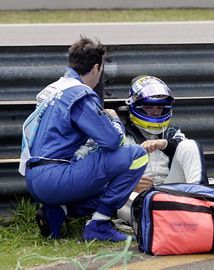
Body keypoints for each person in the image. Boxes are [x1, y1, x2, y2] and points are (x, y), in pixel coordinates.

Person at [19, 37, 148, 242]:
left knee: (106, 184)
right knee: (137, 156)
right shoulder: (79, 94)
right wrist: (114, 121)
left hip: (34, 177)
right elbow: (113, 141)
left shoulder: (53, 89)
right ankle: (99, 224)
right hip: (56, 178)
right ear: (96, 68)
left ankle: (58, 212)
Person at [116, 75, 208, 224]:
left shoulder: (172, 133)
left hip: (169, 191)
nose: (155, 112)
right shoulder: (119, 134)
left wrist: (164, 143)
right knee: (134, 206)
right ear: (134, 106)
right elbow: (103, 175)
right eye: (149, 106)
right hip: (134, 196)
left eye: (160, 107)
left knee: (190, 145)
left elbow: (185, 149)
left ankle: (201, 205)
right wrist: (130, 184)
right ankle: (165, 220)